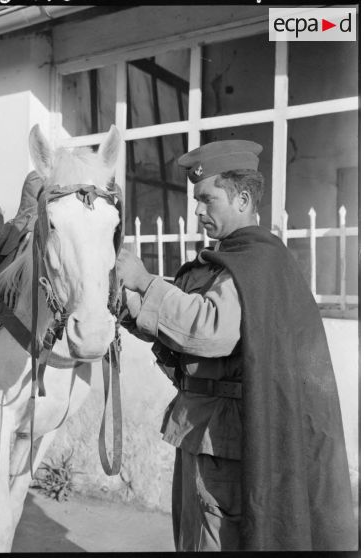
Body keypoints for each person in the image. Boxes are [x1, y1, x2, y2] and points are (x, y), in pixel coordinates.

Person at [116, 140, 356, 551]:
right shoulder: (233, 261)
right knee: (192, 540)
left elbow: (210, 330)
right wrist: (128, 310)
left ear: (242, 199)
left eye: (207, 199)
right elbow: (183, 329)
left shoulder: (254, 263)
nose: (197, 211)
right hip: (203, 430)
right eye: (196, 201)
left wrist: (144, 280)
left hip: (224, 442)